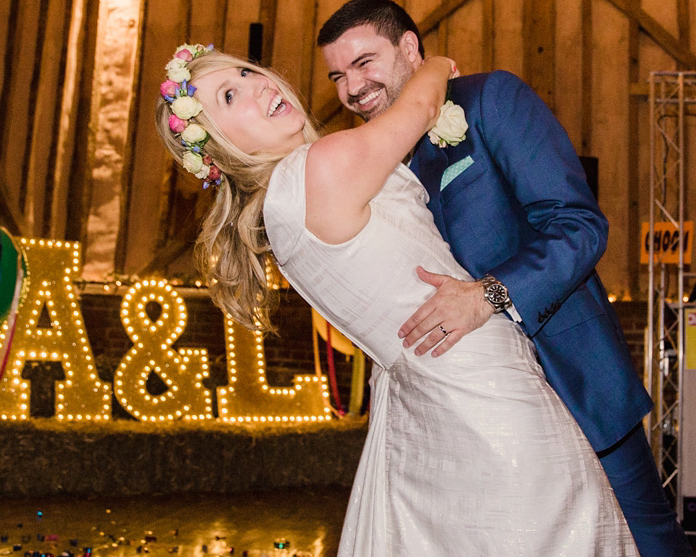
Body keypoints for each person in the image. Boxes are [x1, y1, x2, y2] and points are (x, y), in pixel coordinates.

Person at [156, 43, 637, 555]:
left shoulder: (277, 213)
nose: (260, 85)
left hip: (429, 411)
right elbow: (420, 107)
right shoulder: (320, 166)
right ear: (221, 150)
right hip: (489, 396)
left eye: (249, 72)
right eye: (230, 96)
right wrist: (434, 63)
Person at [318, 0, 692, 557]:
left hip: (571, 381)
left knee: (643, 543)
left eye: (365, 62)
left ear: (410, 49)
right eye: (338, 76)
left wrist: (489, 296)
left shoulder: (490, 99)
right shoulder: (372, 165)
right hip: (474, 414)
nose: (352, 87)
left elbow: (578, 225)